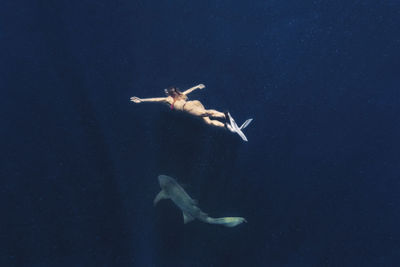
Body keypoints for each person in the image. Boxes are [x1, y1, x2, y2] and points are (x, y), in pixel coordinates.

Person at [130, 84, 252, 141]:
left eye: (166, 92)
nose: (165, 93)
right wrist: (197, 86)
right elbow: (187, 91)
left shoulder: (168, 99)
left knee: (205, 114)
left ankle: (224, 115)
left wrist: (141, 100)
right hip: (194, 103)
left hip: (187, 108)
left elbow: (155, 99)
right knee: (208, 122)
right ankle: (228, 126)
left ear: (169, 93)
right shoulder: (180, 95)